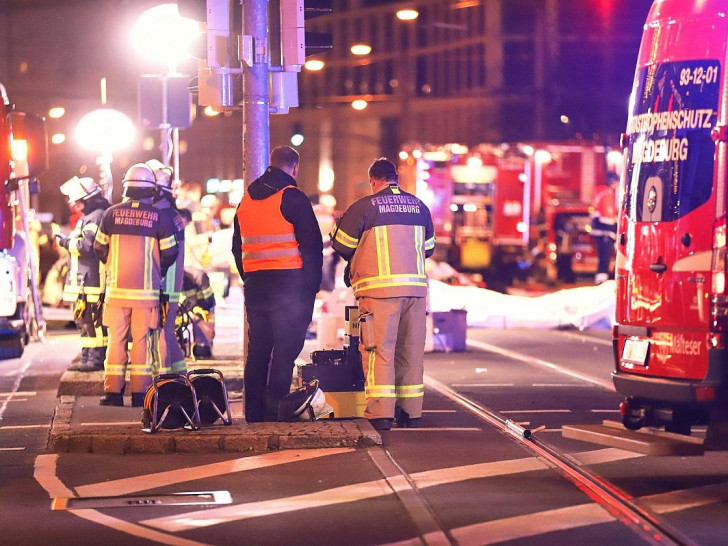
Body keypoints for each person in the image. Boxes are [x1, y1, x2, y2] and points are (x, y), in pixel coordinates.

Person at [331, 158, 435, 431]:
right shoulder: (420, 206)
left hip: (379, 293)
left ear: (373, 181)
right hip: (415, 292)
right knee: (410, 351)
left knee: (380, 351)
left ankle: (381, 413)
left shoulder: (365, 207)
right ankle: (410, 412)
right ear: (395, 179)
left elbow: (342, 244)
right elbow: (429, 248)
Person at [231, 146, 323, 423]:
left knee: (258, 350)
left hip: (256, 284)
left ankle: (254, 413)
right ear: (294, 168)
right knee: (285, 350)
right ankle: (275, 412)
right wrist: (311, 287)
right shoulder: (292, 197)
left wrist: (249, 276)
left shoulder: (245, 200)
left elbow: (237, 248)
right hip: (289, 285)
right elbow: (312, 246)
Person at [93, 163, 179, 407]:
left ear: (127, 188)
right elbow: (170, 252)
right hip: (146, 293)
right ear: (151, 190)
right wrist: (155, 270)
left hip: (116, 293)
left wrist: (112, 266)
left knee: (115, 341)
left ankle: (112, 393)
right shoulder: (160, 218)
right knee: (141, 341)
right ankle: (140, 394)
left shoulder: (110, 214)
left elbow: (99, 247)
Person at [57, 176, 111, 372]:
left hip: (92, 281)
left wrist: (64, 242)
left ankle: (95, 359)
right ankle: (89, 357)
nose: (74, 204)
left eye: (76, 200)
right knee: (85, 321)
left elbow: (87, 246)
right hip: (86, 280)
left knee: (93, 322)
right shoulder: (91, 216)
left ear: (87, 199)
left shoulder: (96, 216)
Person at [147, 159, 187, 375]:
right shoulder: (172, 214)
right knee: (167, 332)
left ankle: (164, 381)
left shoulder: (161, 216)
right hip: (170, 286)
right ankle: (179, 376)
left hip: (163, 286)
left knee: (161, 333)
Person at [590, 172, 619, 284]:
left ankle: (600, 278)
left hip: (599, 231)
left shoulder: (600, 192)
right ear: (612, 182)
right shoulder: (607, 194)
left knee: (602, 256)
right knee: (605, 257)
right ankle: (602, 280)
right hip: (606, 232)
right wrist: (616, 226)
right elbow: (608, 216)